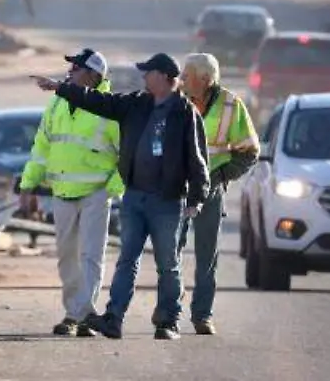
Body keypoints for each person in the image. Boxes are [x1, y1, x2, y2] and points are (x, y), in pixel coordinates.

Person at [36, 53, 209, 341]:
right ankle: (113, 319)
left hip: (167, 202)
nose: (143, 77)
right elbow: (100, 102)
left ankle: (168, 321)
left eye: (148, 72)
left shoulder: (184, 112)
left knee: (168, 264)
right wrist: (60, 87)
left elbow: (197, 158)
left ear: (165, 77)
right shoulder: (136, 104)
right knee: (127, 260)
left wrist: (196, 197)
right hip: (135, 198)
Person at [19, 49, 123, 337]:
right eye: (71, 68)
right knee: (67, 256)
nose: (70, 72)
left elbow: (127, 154)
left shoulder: (110, 107)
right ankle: (82, 313)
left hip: (96, 193)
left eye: (77, 68)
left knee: (91, 255)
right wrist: (28, 185)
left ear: (93, 75)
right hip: (62, 191)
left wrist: (112, 188)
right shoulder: (57, 104)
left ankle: (75, 315)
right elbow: (42, 147)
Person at [174, 53, 260, 335]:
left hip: (210, 191)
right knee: (169, 253)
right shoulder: (174, 100)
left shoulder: (231, 106)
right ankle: (169, 312)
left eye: (187, 75)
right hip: (175, 189)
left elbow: (249, 151)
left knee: (206, 256)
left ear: (205, 79)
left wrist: (222, 177)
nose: (181, 79)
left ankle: (202, 315)